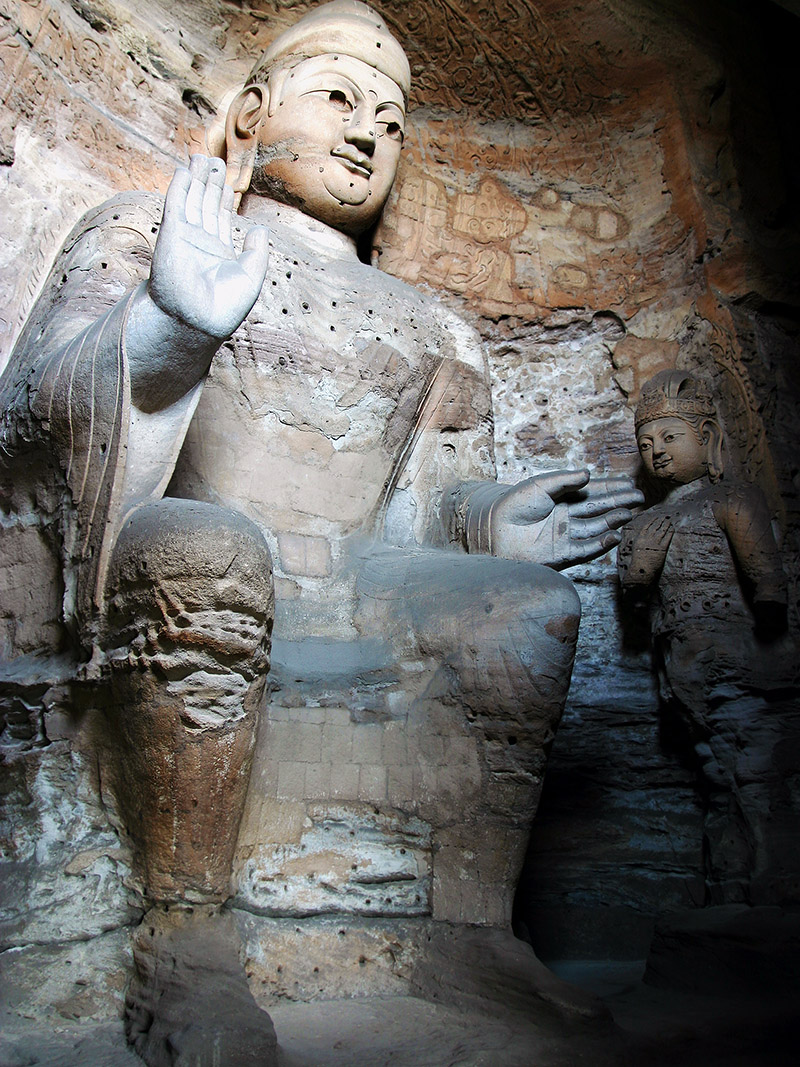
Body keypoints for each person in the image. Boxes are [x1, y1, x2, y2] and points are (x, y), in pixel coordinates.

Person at [0, 2, 640, 1060]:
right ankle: (187, 933)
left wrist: (488, 530)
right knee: (210, 549)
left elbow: (430, 497)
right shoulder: (149, 226)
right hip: (187, 557)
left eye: (390, 124)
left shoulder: (431, 321)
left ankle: (465, 930)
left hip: (357, 577)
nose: (364, 135)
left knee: (526, 612)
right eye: (337, 98)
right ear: (253, 112)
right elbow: (33, 410)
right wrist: (167, 327)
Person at [618, 369, 797, 905]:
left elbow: (766, 581)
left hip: (737, 657)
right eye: (647, 443)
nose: (658, 452)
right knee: (718, 774)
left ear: (709, 437)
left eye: (672, 437)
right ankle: (730, 882)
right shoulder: (642, 524)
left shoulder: (730, 501)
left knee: (756, 767)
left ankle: (773, 881)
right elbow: (633, 597)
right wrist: (639, 570)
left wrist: (766, 610)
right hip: (682, 663)